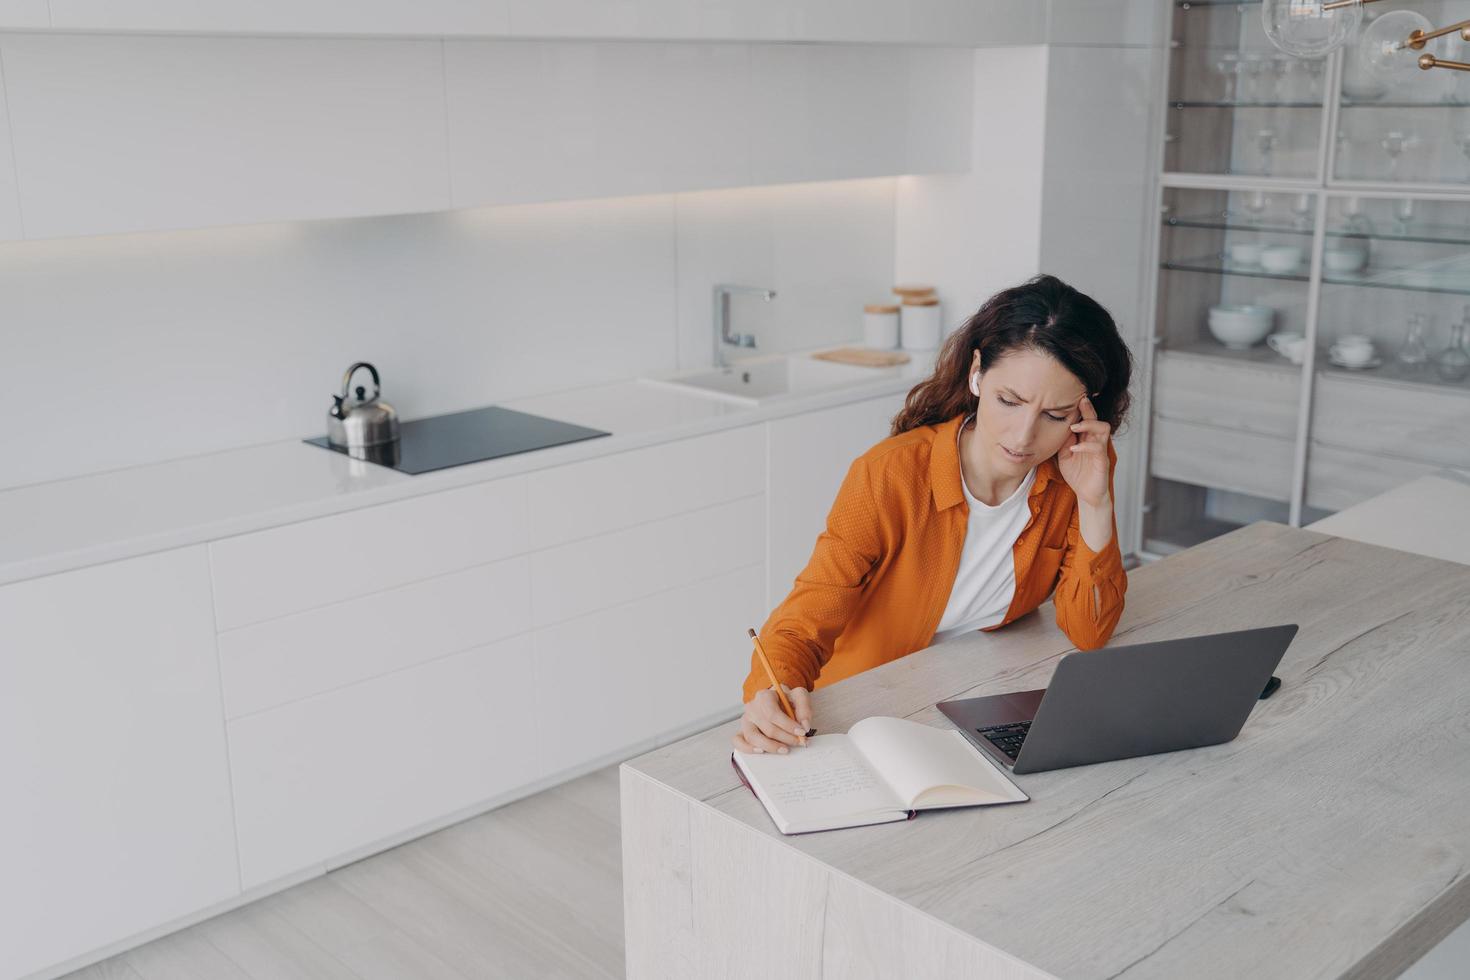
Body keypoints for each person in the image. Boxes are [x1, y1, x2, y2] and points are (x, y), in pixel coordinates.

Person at [734, 274, 1134, 756]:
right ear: (977, 373)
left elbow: (1090, 631)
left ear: (1085, 412)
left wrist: (1095, 501)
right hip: (868, 709)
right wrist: (768, 695)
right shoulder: (891, 474)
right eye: (1009, 401)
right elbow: (807, 615)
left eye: (1055, 415)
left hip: (978, 694)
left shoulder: (1077, 466)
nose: (1024, 436)